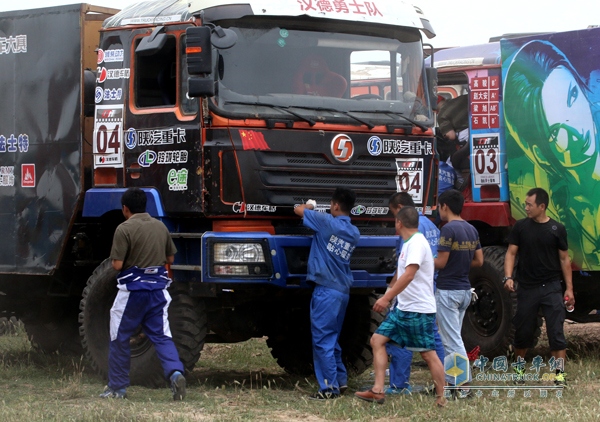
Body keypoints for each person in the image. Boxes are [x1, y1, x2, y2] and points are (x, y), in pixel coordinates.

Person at [504, 39, 600, 270]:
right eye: (557, 130)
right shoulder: (553, 206)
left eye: (572, 96)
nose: (576, 126)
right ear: (540, 154)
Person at [354, 206, 446, 407]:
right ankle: (378, 390)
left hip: (418, 310)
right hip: (403, 309)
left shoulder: (416, 244)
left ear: (399, 223)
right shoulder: (409, 243)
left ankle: (441, 397)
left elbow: (409, 275)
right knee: (377, 340)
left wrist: (387, 297)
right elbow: (401, 272)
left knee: (428, 354)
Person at [100, 187, 186, 400]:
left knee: (119, 337)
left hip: (133, 292)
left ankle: (117, 388)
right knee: (162, 336)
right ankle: (175, 373)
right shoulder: (160, 226)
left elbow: (118, 265)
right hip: (158, 290)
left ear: (125, 208)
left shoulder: (124, 228)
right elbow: (171, 260)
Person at [294, 187, 360, 400]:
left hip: (325, 291)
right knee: (333, 339)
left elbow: (298, 210)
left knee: (322, 340)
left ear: (335, 205)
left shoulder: (325, 222)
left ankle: (328, 389)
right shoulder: (353, 232)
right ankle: (340, 382)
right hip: (342, 291)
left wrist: (311, 205)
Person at [503, 187, 574, 386]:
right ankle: (518, 372)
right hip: (527, 287)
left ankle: (559, 376)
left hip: (551, 287)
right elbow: (511, 253)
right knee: (523, 332)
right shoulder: (520, 227)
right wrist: (507, 277)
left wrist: (569, 289)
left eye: (529, 204)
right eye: (525, 204)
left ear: (542, 207)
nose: (526, 208)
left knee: (556, 332)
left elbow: (564, 259)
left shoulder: (557, 229)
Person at [384, 192, 445, 394]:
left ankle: (399, 384)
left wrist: (390, 291)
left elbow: (405, 268)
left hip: (411, 291)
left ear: (400, 210)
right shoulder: (430, 225)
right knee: (433, 339)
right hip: (429, 287)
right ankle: (446, 383)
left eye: (394, 215)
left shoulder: (411, 234)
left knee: (400, 336)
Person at [434, 189, 483, 395]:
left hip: (448, 291)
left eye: (439, 206)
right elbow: (479, 261)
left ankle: (464, 387)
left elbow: (442, 262)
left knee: (452, 342)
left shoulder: (448, 230)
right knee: (453, 339)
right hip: (464, 290)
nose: (438, 210)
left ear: (445, 206)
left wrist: (423, 261)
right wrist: (460, 265)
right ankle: (452, 384)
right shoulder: (471, 229)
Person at [437, 94, 470, 189]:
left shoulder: (442, 115)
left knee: (448, 167)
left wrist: (444, 133)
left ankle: (459, 189)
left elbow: (451, 136)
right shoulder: (461, 99)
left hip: (465, 140)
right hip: (479, 131)